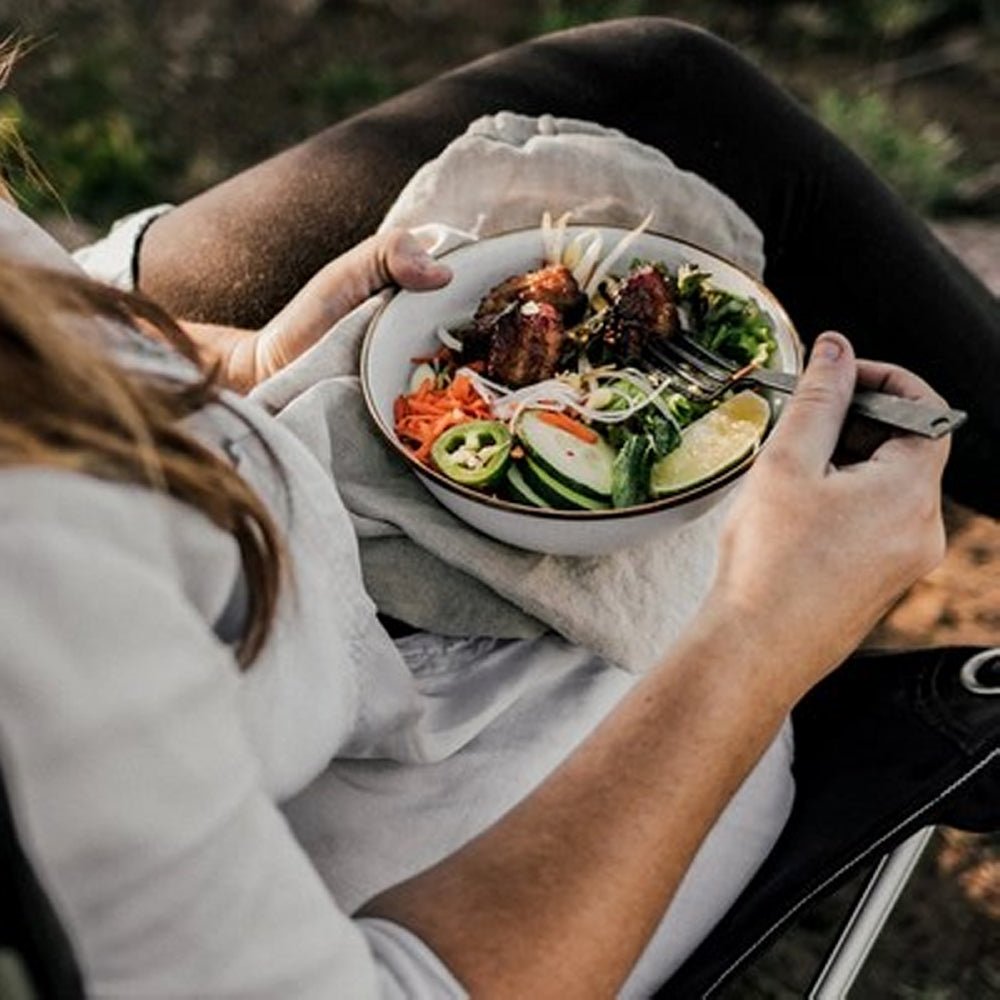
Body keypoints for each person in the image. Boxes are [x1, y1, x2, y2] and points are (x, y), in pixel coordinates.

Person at [0, 17, 991, 999]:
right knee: (681, 580)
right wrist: (758, 638)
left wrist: (232, 362)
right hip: (369, 817)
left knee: (668, 94)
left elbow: (40, 312)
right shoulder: (44, 637)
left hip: (232, 507)